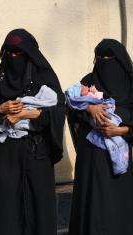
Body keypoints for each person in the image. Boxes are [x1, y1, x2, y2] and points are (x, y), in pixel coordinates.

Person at [0, 29, 65, 235]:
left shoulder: (44, 76)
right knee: (7, 211)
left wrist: (27, 114)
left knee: (38, 209)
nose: (14, 58)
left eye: (19, 54)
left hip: (38, 153)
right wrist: (2, 109)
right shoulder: (1, 78)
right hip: (9, 156)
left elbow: (59, 111)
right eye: (10, 54)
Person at [68, 39, 133, 235]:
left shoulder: (131, 85)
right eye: (100, 58)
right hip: (92, 161)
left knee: (119, 211)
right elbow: (70, 108)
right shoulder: (88, 82)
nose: (104, 62)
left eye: (109, 58)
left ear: (120, 60)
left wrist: (122, 131)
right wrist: (89, 107)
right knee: (93, 209)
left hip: (123, 165)